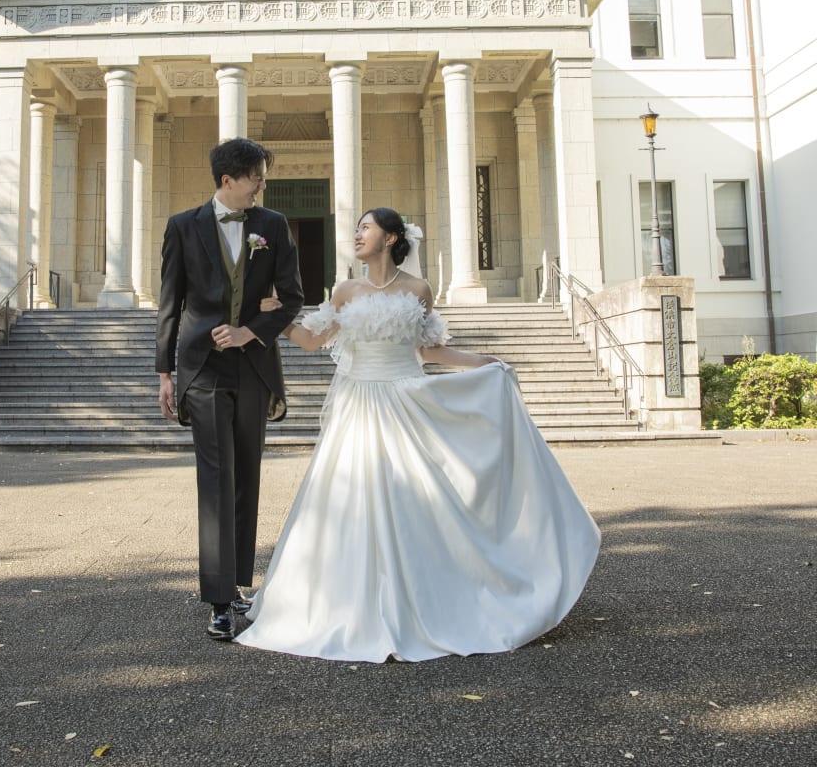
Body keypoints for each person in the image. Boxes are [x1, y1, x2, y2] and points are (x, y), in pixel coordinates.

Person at [236, 207, 600, 662]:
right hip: (359, 402)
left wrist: (482, 361)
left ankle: (433, 596)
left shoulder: (419, 289)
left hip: (405, 398)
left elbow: (429, 349)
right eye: (357, 228)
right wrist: (275, 319)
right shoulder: (346, 289)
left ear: (391, 238)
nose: (357, 233)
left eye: (366, 227)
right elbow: (313, 340)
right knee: (351, 496)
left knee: (416, 497)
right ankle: (343, 602)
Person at [156, 138, 303, 642]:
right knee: (215, 481)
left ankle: (239, 583)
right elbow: (170, 303)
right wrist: (164, 372)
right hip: (202, 371)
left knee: (247, 477)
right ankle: (218, 600)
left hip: (254, 367)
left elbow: (294, 298)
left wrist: (251, 332)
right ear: (228, 181)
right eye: (256, 177)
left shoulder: (273, 226)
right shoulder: (182, 226)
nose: (263, 185)